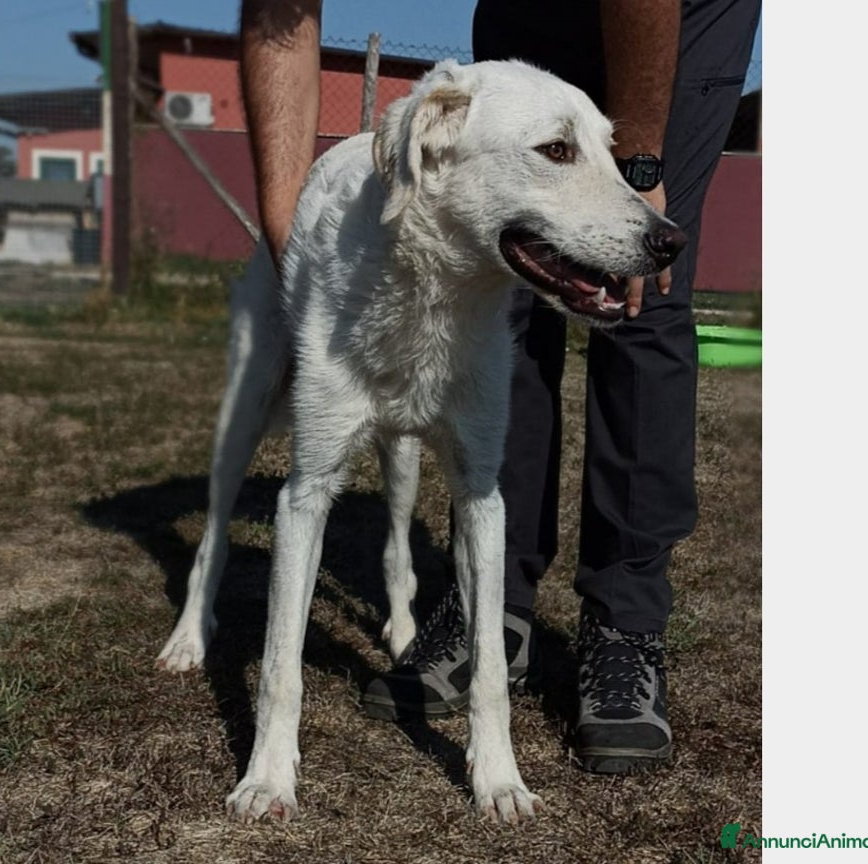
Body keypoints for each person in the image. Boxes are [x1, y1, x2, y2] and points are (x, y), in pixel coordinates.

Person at [237, 0, 761, 774]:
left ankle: (624, 625)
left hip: (678, 15)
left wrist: (641, 167)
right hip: (527, 17)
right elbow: (279, 20)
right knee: (512, 310)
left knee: (648, 289)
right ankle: (494, 611)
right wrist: (291, 251)